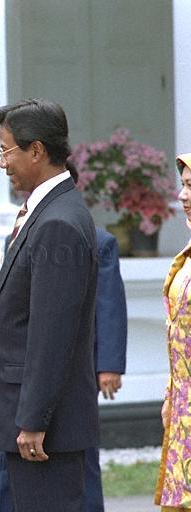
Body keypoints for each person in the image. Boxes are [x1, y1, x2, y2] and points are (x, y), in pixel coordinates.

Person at [0, 98, 99, 511]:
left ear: (36, 150)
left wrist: (34, 420)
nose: (2, 163)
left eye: (6, 151)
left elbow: (52, 335)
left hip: (42, 430)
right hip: (29, 422)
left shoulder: (57, 222)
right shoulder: (49, 210)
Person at [0, 167, 128, 512]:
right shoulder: (18, 235)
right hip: (21, 379)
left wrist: (110, 364)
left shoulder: (92, 237)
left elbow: (109, 305)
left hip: (75, 370)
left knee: (76, 462)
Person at [155, 152, 191, 510]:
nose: (182, 196)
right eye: (183, 186)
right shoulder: (187, 255)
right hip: (184, 415)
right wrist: (171, 394)